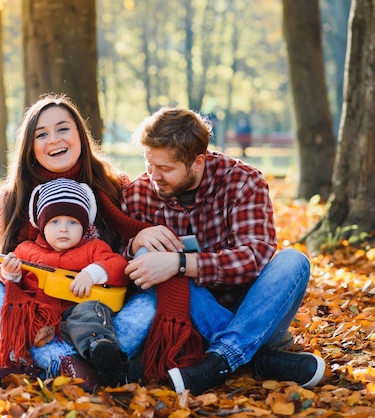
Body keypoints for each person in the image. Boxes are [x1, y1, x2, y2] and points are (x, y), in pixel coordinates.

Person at [122, 106, 326, 395]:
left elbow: (254, 256)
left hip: (256, 310)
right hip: (189, 319)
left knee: (294, 261)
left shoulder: (243, 181)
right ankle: (250, 357)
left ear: (197, 162)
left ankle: (220, 357)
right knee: (145, 257)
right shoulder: (137, 193)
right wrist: (136, 241)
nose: (154, 175)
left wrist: (181, 264)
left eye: (166, 168)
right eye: (148, 163)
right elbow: (120, 264)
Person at [0, 93, 156, 390]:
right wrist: (6, 276)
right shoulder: (14, 197)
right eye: (42, 134)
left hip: (102, 314)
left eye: (63, 129)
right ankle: (68, 362)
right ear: (30, 146)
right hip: (42, 318)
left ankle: (61, 361)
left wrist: (133, 242)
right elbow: (2, 265)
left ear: (80, 134)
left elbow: (125, 261)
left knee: (152, 300)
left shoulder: (113, 185)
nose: (54, 139)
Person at [0, 177, 130, 387]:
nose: (63, 229)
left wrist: (92, 273)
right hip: (46, 325)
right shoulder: (25, 251)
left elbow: (119, 265)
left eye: (72, 222)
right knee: (10, 308)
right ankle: (62, 362)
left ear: (84, 226)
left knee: (90, 312)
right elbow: (12, 293)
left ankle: (101, 350)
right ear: (41, 225)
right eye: (54, 222)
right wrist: (12, 275)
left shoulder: (93, 248)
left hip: (81, 318)